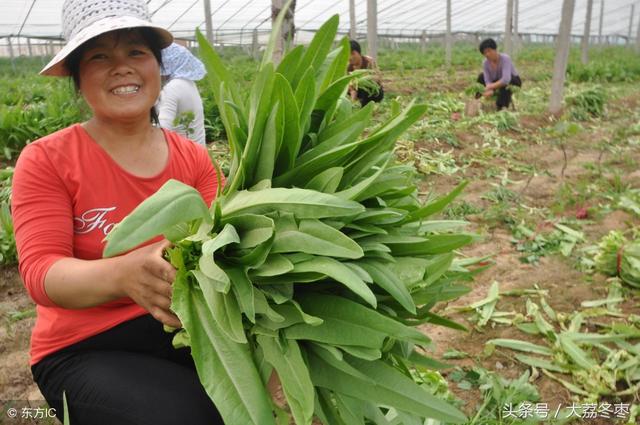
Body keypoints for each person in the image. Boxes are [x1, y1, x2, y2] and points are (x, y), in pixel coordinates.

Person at [11, 1, 224, 424]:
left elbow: (221, 250)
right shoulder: (47, 159)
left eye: (136, 52)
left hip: (185, 329)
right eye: (99, 56)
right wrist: (124, 274)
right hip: (84, 345)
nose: (121, 67)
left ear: (158, 67)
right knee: (184, 415)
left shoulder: (194, 161)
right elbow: (41, 272)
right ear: (77, 76)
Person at [157, 42, 207, 146]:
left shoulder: (173, 88)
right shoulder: (188, 83)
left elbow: (163, 127)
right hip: (198, 150)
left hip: (184, 153)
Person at [477, 38, 522, 110]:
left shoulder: (505, 59)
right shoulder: (485, 63)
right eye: (485, 53)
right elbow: (487, 79)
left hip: (513, 81)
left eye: (489, 51)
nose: (487, 54)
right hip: (497, 80)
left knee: (507, 85)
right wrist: (489, 89)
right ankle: (477, 101)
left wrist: (491, 87)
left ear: (495, 49)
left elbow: (506, 79)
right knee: (481, 77)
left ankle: (501, 107)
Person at [348, 39, 384, 107]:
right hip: (358, 92)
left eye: (352, 53)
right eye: (348, 54)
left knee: (366, 88)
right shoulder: (349, 67)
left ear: (359, 53)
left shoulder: (368, 61)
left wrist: (366, 79)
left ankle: (367, 105)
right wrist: (352, 96)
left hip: (374, 93)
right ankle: (357, 104)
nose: (350, 57)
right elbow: (350, 85)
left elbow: (379, 77)